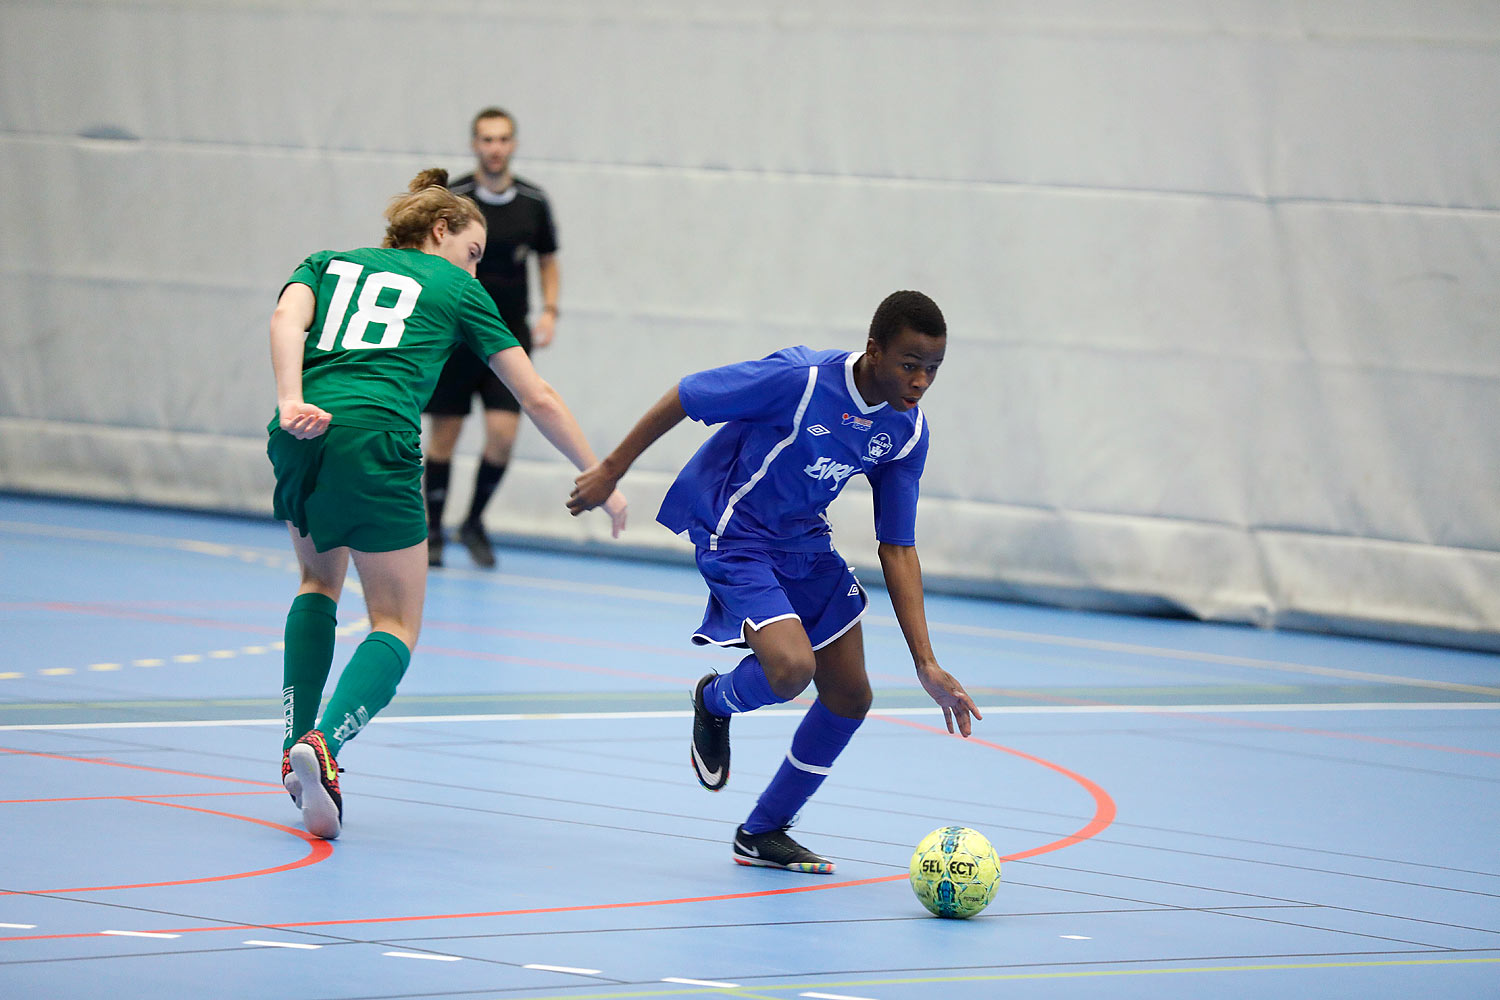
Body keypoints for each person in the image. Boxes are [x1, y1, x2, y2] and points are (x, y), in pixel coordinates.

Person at [267, 168, 626, 840]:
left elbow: (286, 318)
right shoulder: (457, 288)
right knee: (396, 622)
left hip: (301, 430)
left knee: (318, 582)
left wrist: (291, 399)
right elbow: (536, 396)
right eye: (474, 251)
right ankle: (322, 748)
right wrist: (598, 471)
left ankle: (289, 751)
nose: (475, 266)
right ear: (440, 231)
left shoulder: (326, 262)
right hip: (377, 433)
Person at [568, 291, 981, 874]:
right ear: (874, 352)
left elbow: (898, 546)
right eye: (909, 365)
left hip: (805, 544)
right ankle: (714, 698)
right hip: (736, 533)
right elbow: (687, 395)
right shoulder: (801, 380)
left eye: (932, 370)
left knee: (851, 696)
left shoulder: (907, 432)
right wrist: (610, 470)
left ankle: (763, 831)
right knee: (791, 670)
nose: (920, 382)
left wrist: (926, 663)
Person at [423, 106, 562, 569]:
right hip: (457, 337)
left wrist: (550, 310)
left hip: (507, 337)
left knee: (502, 436)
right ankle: (431, 531)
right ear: (475, 145)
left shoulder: (534, 202)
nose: (494, 148)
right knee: (444, 436)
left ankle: (474, 522)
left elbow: (547, 258)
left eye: (503, 139)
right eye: (486, 139)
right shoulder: (455, 201)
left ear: (514, 145)